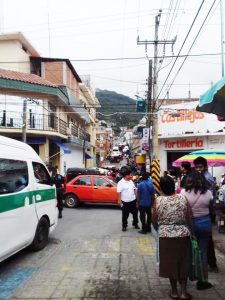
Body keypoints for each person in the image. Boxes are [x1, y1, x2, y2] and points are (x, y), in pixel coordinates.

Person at [152, 176, 192, 300]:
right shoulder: (183, 198)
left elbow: (154, 220)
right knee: (183, 262)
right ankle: (184, 292)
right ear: (174, 186)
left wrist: (162, 227)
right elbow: (189, 217)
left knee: (170, 264)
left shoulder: (158, 201)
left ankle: (174, 292)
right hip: (183, 235)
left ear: (161, 188)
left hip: (165, 236)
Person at [181, 171, 213, 290]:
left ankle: (189, 277)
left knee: (188, 251)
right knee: (203, 251)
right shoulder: (208, 192)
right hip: (204, 222)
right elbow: (211, 205)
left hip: (189, 224)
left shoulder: (183, 192)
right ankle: (202, 281)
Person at [193, 156, 219, 273]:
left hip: (207, 212)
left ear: (205, 166)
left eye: (200, 167)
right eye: (196, 167)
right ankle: (208, 263)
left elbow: (208, 196)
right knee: (205, 240)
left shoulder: (206, 178)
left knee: (207, 240)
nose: (198, 169)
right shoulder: (202, 176)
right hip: (204, 211)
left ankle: (212, 264)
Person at [117, 166, 139, 231]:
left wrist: (137, 200)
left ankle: (135, 224)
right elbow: (119, 192)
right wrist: (119, 201)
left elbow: (134, 190)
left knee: (135, 214)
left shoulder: (131, 181)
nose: (131, 176)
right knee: (125, 215)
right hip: (125, 202)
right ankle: (124, 226)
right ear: (126, 176)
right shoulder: (120, 183)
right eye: (130, 175)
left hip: (133, 201)